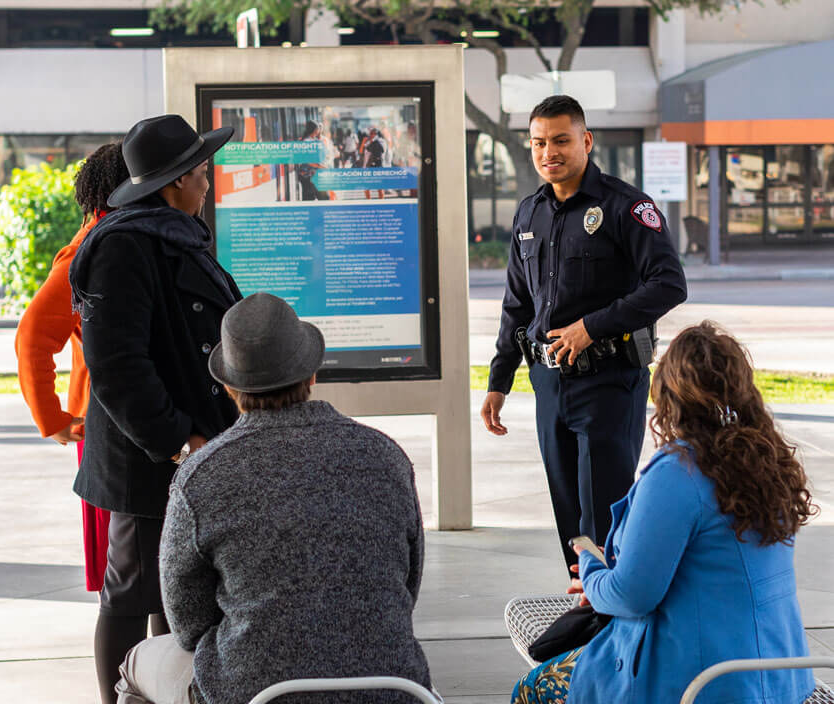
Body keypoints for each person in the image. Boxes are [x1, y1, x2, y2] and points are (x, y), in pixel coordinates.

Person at [115, 293, 434, 704]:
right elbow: (406, 588)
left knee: (134, 666)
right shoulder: (386, 456)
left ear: (229, 387)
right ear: (312, 373)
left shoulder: (200, 475)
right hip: (394, 688)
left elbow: (187, 624)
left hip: (253, 691)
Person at [511, 321, 817, 704]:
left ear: (669, 393)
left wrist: (591, 569)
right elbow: (713, 569)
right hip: (781, 677)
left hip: (705, 685)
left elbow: (631, 595)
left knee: (534, 688)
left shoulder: (680, 472)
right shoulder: (768, 462)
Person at [68, 115, 242, 704]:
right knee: (132, 592)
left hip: (190, 449)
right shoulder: (122, 245)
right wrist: (175, 439)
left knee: (180, 594)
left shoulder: (175, 232)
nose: (208, 184)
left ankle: (167, 694)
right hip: (147, 455)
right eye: (201, 172)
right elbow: (117, 365)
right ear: (174, 182)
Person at [480, 95, 687, 572]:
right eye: (538, 143)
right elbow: (517, 304)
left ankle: (612, 621)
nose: (548, 152)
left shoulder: (625, 206)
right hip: (550, 384)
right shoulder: (528, 213)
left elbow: (669, 284)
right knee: (570, 521)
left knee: (605, 519)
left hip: (608, 383)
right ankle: (584, 614)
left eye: (560, 140)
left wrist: (591, 328)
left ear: (586, 141)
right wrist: (499, 380)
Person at [15, 142, 128, 593]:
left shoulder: (120, 237)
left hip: (125, 422)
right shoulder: (88, 250)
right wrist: (53, 420)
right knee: (123, 581)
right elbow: (32, 337)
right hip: (103, 427)